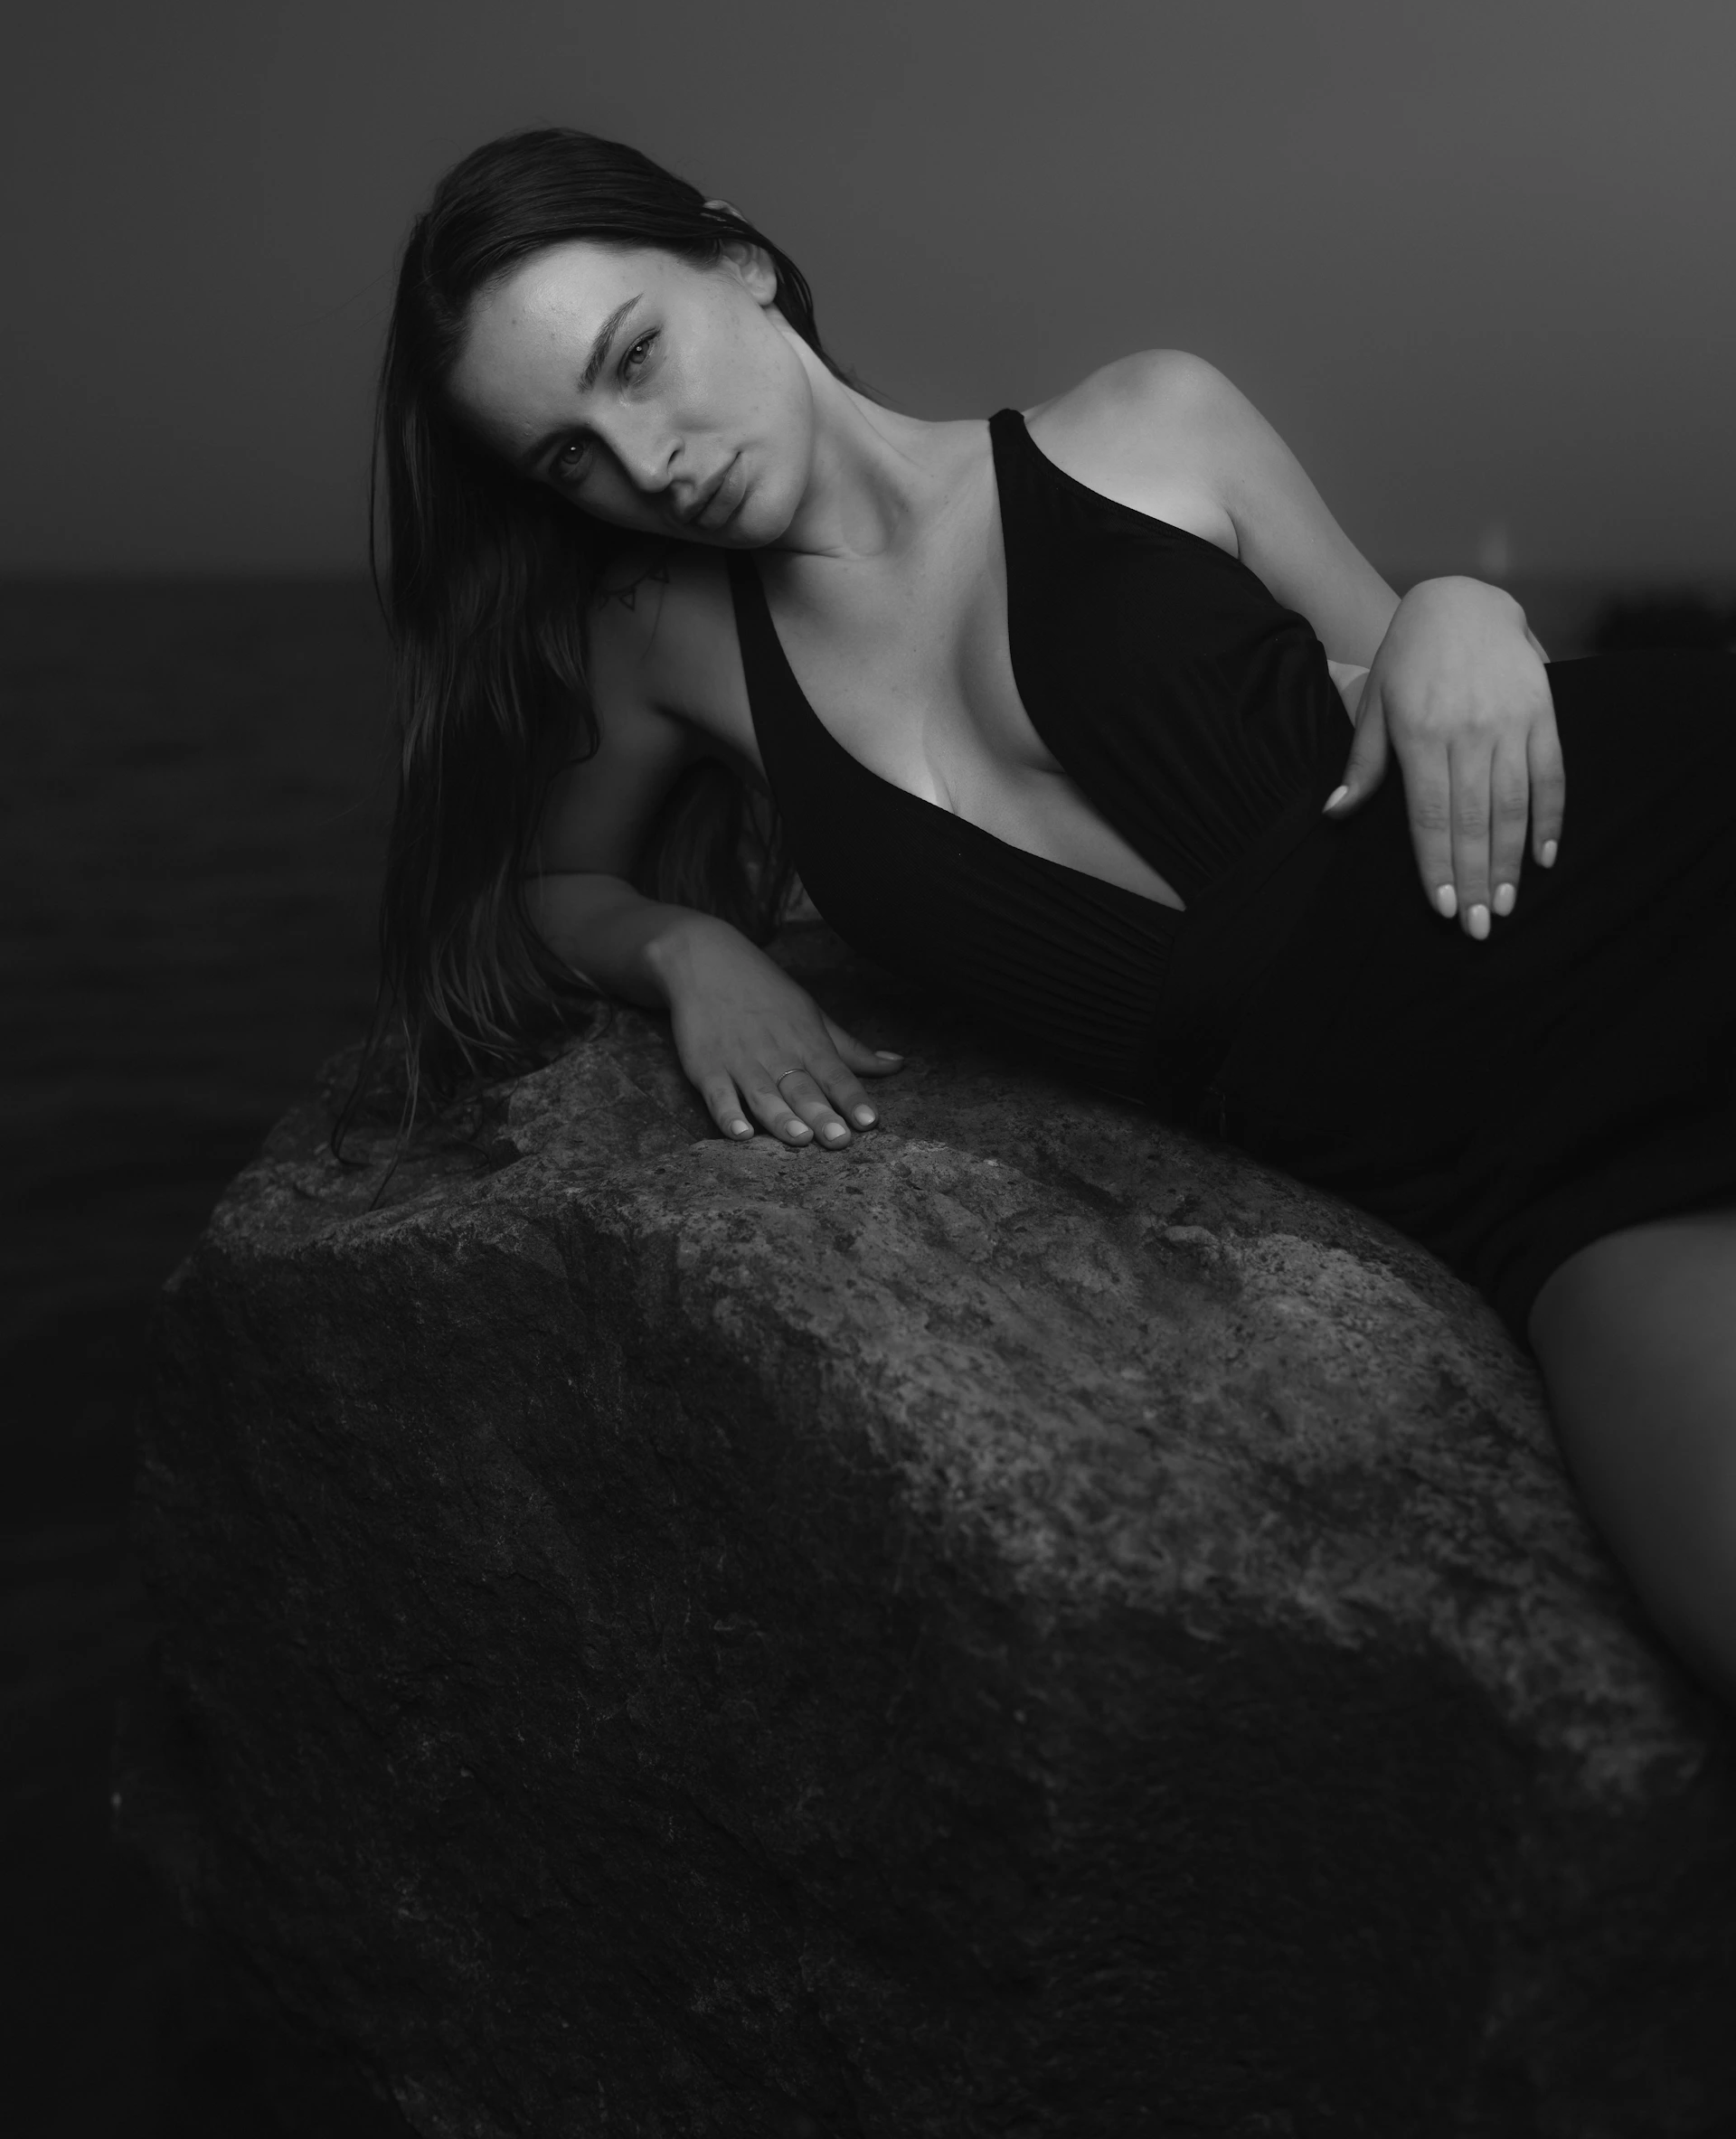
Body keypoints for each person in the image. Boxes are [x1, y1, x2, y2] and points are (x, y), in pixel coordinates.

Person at [371, 127, 1736, 1698]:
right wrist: (691, 951)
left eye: (636, 358)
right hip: (1523, 1183)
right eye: (568, 454)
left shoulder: (1151, 417)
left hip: (1643, 881)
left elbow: (1415, 686)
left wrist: (1463, 607)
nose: (647, 459)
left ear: (735, 261)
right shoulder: (665, 647)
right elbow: (548, 887)